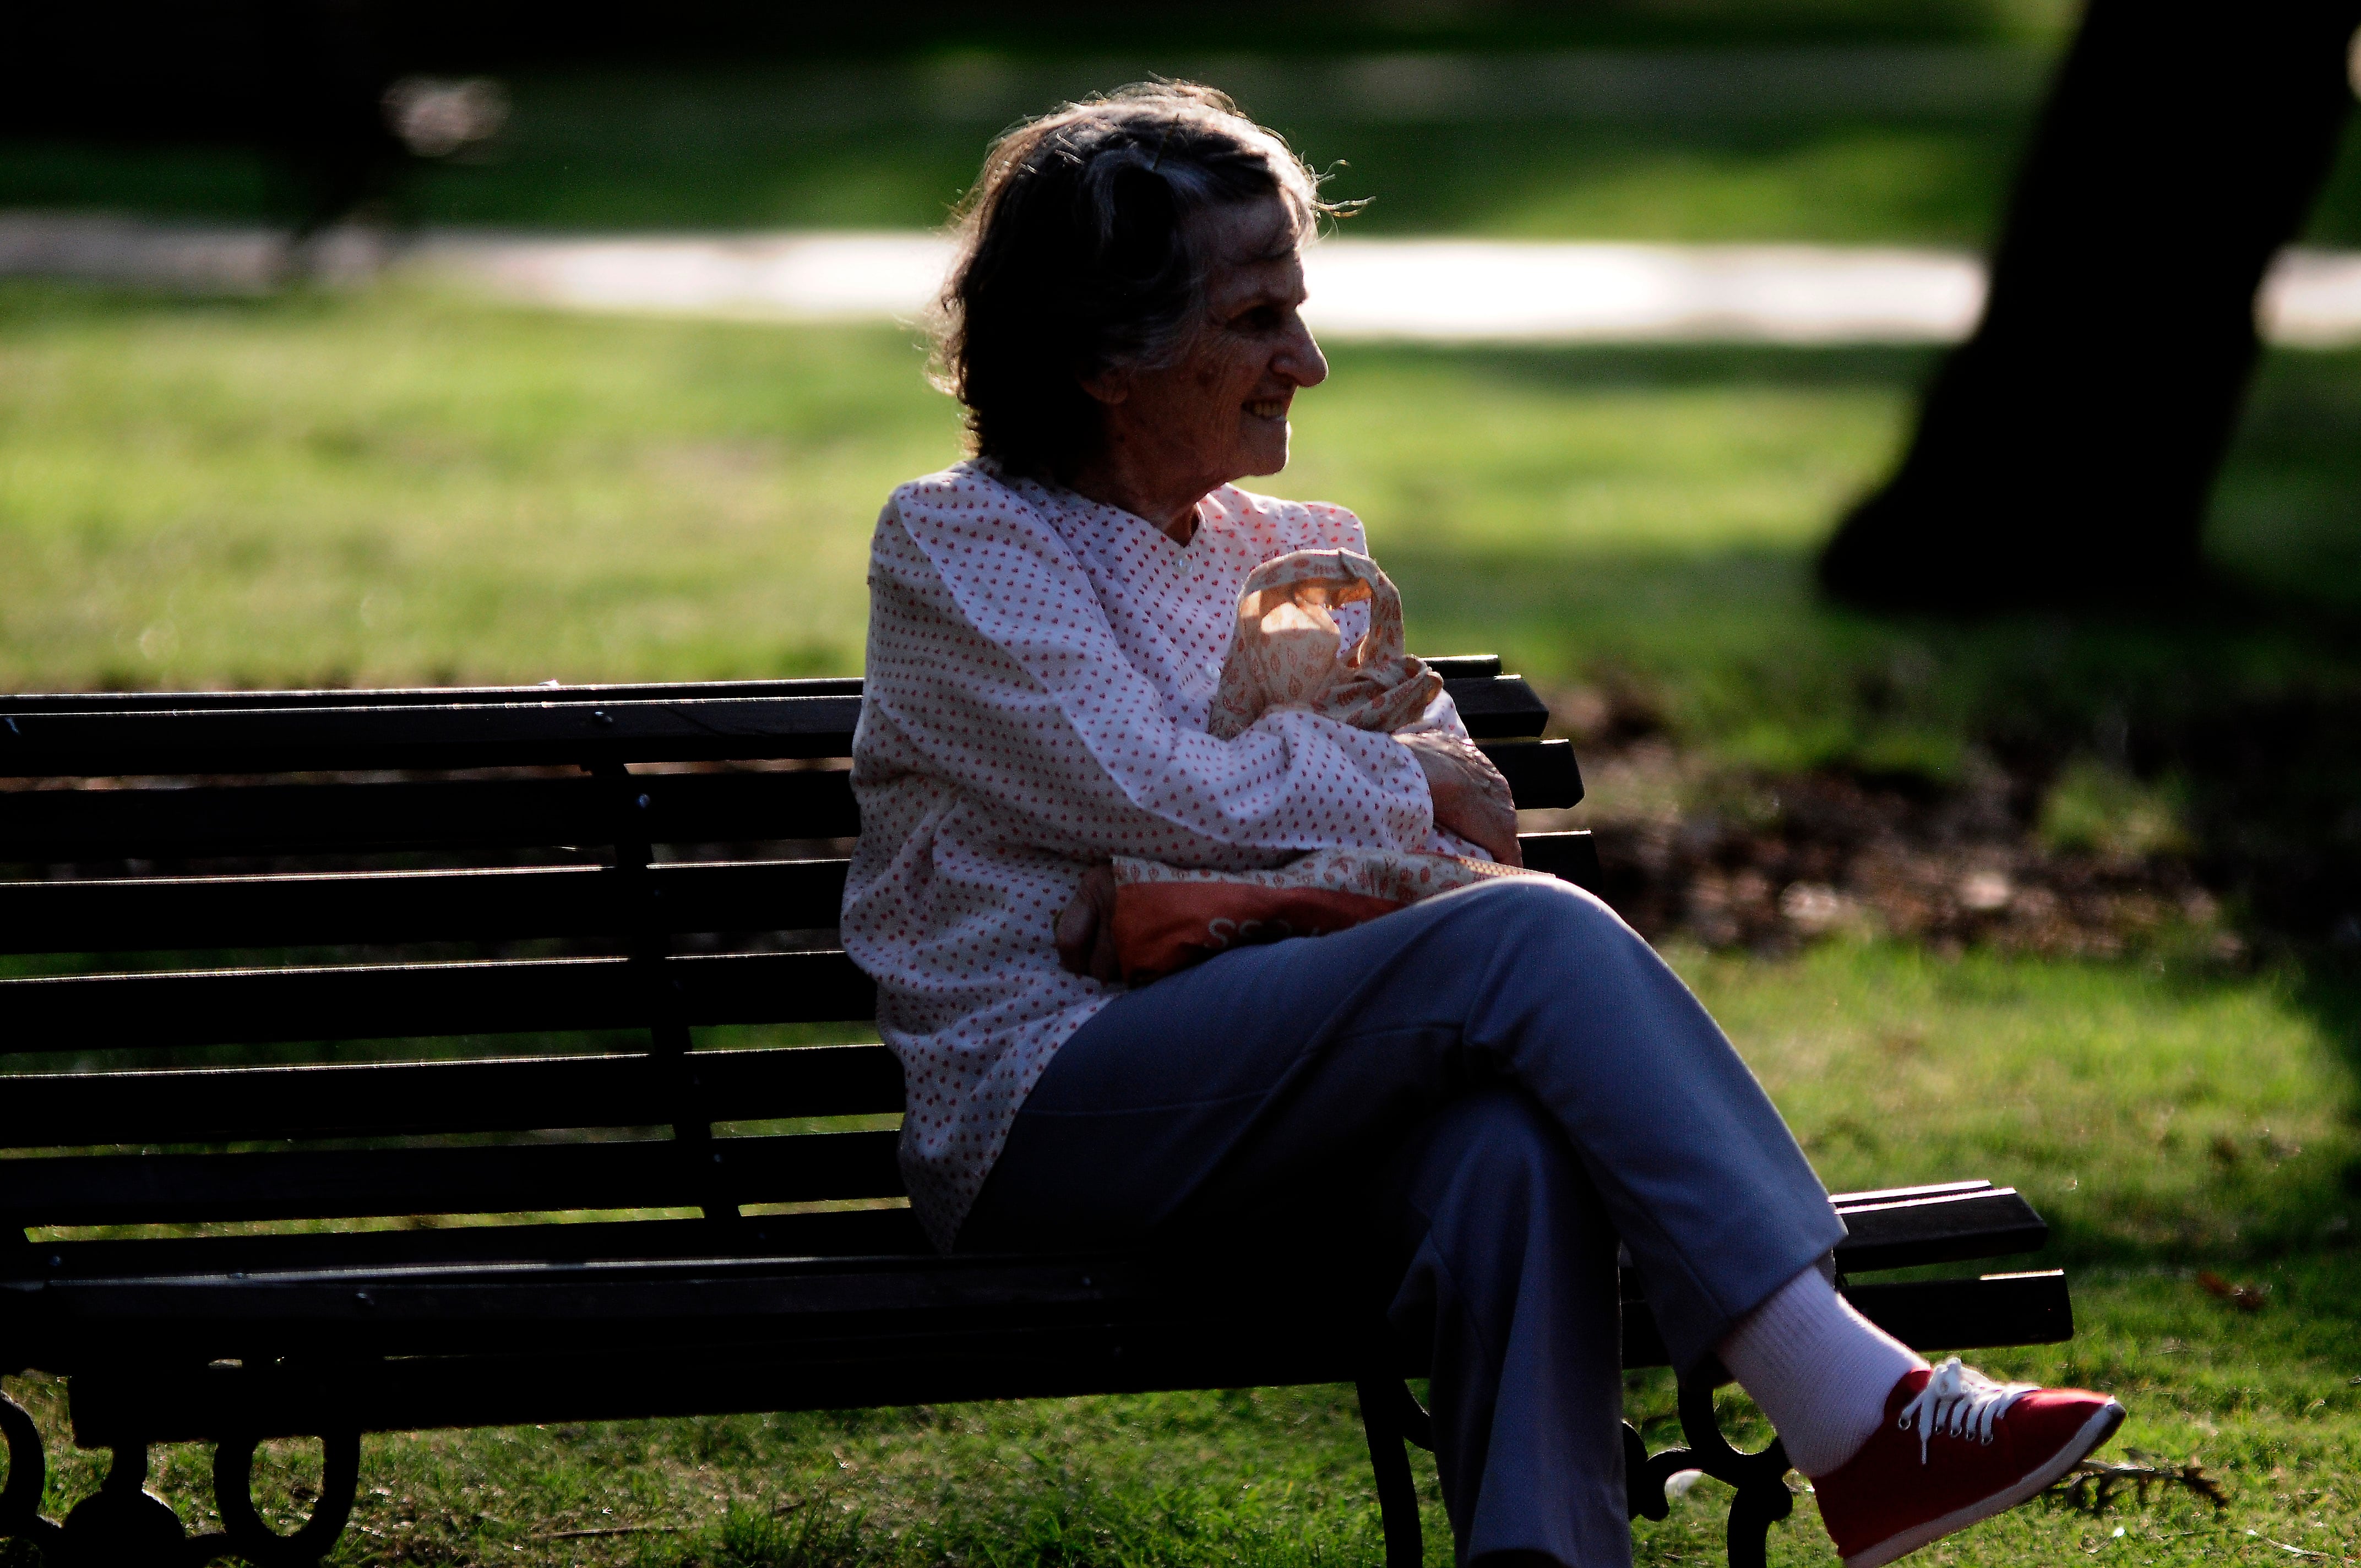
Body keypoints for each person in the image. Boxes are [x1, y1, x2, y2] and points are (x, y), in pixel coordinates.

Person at [842, 82, 2124, 1568]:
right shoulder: (960, 545)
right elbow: (1175, 791)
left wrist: (1265, 839)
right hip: (1046, 1106)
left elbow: (1472, 826)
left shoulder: (1301, 553)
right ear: (1103, 356)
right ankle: (1856, 1408)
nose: (1305, 362)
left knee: (1506, 1154)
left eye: (1297, 311)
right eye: (1255, 318)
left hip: (1288, 1096)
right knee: (1523, 944)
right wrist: (1349, 805)